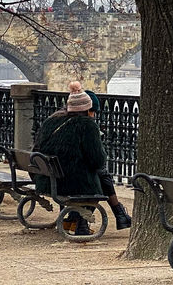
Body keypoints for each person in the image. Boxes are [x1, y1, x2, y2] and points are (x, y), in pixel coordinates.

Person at [34, 81, 132, 234]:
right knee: (98, 183)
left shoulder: (51, 121)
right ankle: (82, 224)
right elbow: (97, 160)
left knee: (97, 177)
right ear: (87, 109)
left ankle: (74, 219)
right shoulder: (86, 125)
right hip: (68, 183)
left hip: (45, 179)